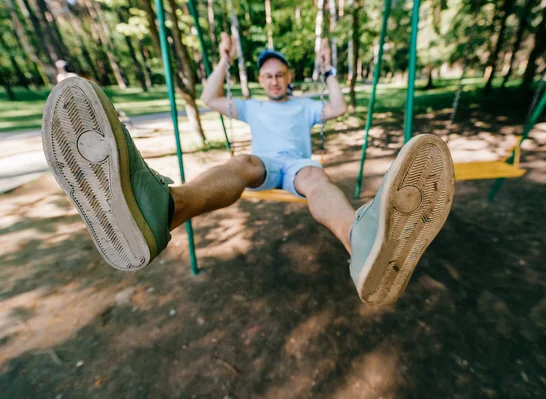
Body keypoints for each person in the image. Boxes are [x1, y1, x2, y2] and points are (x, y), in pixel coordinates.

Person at [41, 34, 455, 306]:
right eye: (268, 76)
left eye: (280, 75)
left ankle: (360, 243)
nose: (274, 81)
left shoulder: (305, 104)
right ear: (261, 80)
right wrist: (224, 60)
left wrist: (328, 71)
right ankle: (162, 210)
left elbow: (339, 107)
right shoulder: (251, 106)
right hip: (261, 164)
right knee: (241, 163)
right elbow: (208, 97)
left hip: (297, 166)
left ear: (289, 78)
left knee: (316, 178)